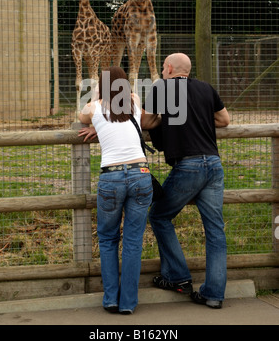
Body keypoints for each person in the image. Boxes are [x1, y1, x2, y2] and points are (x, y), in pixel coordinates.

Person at [142, 53, 230, 309]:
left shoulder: (163, 88)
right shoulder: (206, 88)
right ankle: (213, 294)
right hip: (213, 164)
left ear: (169, 68)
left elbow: (146, 120)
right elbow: (224, 120)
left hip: (188, 166)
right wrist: (200, 118)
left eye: (162, 66)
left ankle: (178, 276)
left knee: (158, 216)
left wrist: (164, 118)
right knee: (215, 229)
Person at [78, 66, 154, 315]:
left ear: (101, 85)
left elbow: (82, 117)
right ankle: (128, 303)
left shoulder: (94, 107)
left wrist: (96, 108)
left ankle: (111, 298)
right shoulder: (133, 101)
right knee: (133, 241)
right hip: (140, 174)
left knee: (109, 239)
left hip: (111, 178)